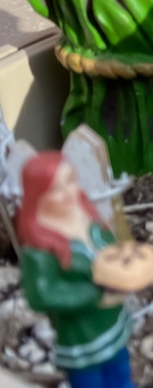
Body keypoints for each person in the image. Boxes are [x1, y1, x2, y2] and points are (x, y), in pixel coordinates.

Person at [17, 153, 135, 388]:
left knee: (120, 374)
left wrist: (124, 266)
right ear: (38, 195)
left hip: (110, 319)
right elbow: (41, 294)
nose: (68, 193)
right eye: (55, 190)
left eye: (70, 180)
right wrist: (93, 292)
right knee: (90, 381)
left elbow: (109, 247)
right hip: (81, 334)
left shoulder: (86, 217)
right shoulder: (39, 247)